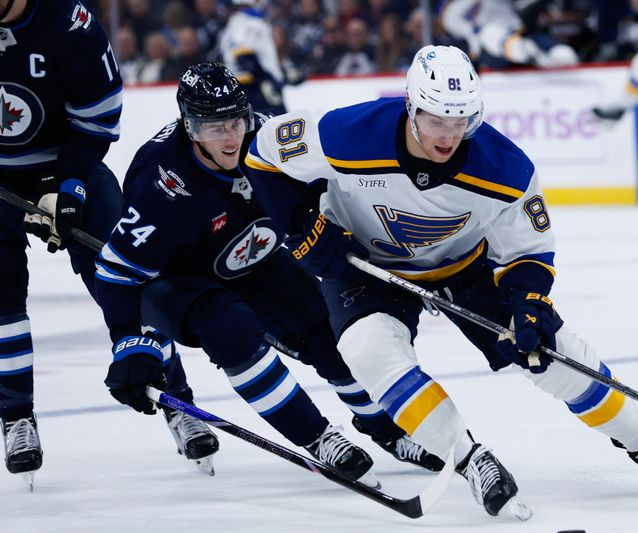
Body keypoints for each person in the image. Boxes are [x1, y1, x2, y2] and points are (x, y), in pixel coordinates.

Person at [244, 44, 638, 518]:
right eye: (437, 119)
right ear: (411, 107)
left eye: (460, 120)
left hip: (465, 268)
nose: (448, 135)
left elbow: (527, 249)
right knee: (368, 352)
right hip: (363, 267)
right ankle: (469, 459)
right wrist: (300, 227)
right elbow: (262, 155)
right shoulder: (348, 134)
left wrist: (528, 301)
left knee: (550, 348)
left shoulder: (505, 168)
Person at [93, 62, 443, 489]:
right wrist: (129, 340)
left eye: (236, 122)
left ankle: (388, 430)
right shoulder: (164, 182)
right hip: (179, 281)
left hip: (253, 259)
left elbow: (322, 190)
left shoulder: (268, 138)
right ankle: (318, 437)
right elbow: (116, 272)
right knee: (231, 327)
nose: (231, 138)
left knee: (325, 333)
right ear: (189, 127)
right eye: (213, 128)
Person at [0, 0, 221, 487]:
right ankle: (16, 417)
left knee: (130, 282)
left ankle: (178, 402)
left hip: (67, 165)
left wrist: (72, 187)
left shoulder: (66, 19)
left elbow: (100, 113)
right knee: (2, 299)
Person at [439, 0, 579, 68]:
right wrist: (475, 47)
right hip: (493, 49)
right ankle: (528, 52)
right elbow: (459, 26)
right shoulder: (454, 12)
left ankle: (555, 55)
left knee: (563, 53)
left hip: (520, 31)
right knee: (489, 34)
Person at [219, 0, 301, 115]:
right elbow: (243, 55)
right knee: (276, 123)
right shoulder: (245, 22)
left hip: (255, 84)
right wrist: (264, 79)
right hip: (254, 86)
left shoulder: (242, 22)